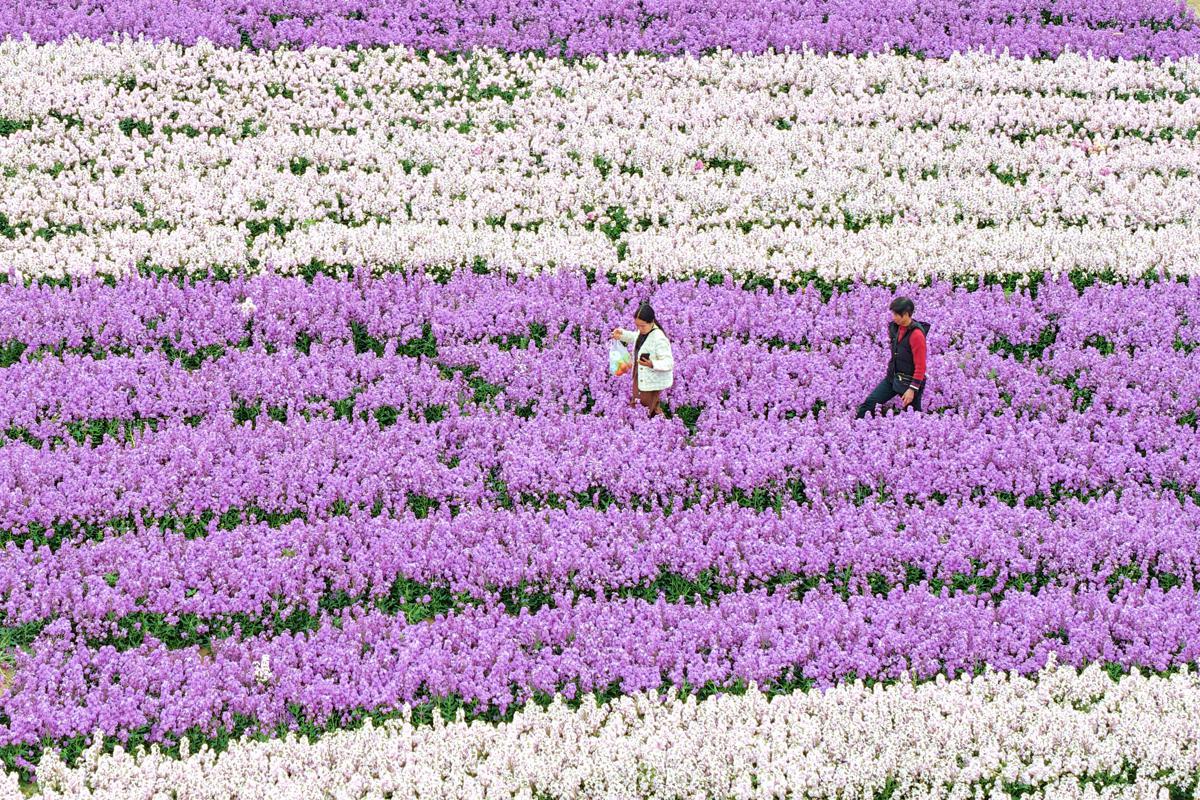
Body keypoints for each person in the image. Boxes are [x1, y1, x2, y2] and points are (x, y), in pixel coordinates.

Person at [856, 296, 929, 419]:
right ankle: (857, 427)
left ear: (906, 315)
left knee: (913, 417)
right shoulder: (896, 328)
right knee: (869, 404)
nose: (893, 317)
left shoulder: (916, 335)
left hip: (908, 382)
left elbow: (921, 366)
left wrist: (912, 389)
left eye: (896, 314)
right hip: (892, 377)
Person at [611, 302, 674, 418]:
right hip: (640, 375)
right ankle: (656, 424)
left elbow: (668, 362)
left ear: (652, 322)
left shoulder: (659, 339)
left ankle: (654, 425)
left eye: (642, 326)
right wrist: (622, 335)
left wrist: (652, 364)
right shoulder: (644, 331)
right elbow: (635, 337)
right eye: (637, 326)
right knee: (647, 406)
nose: (639, 329)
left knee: (644, 406)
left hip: (651, 379)